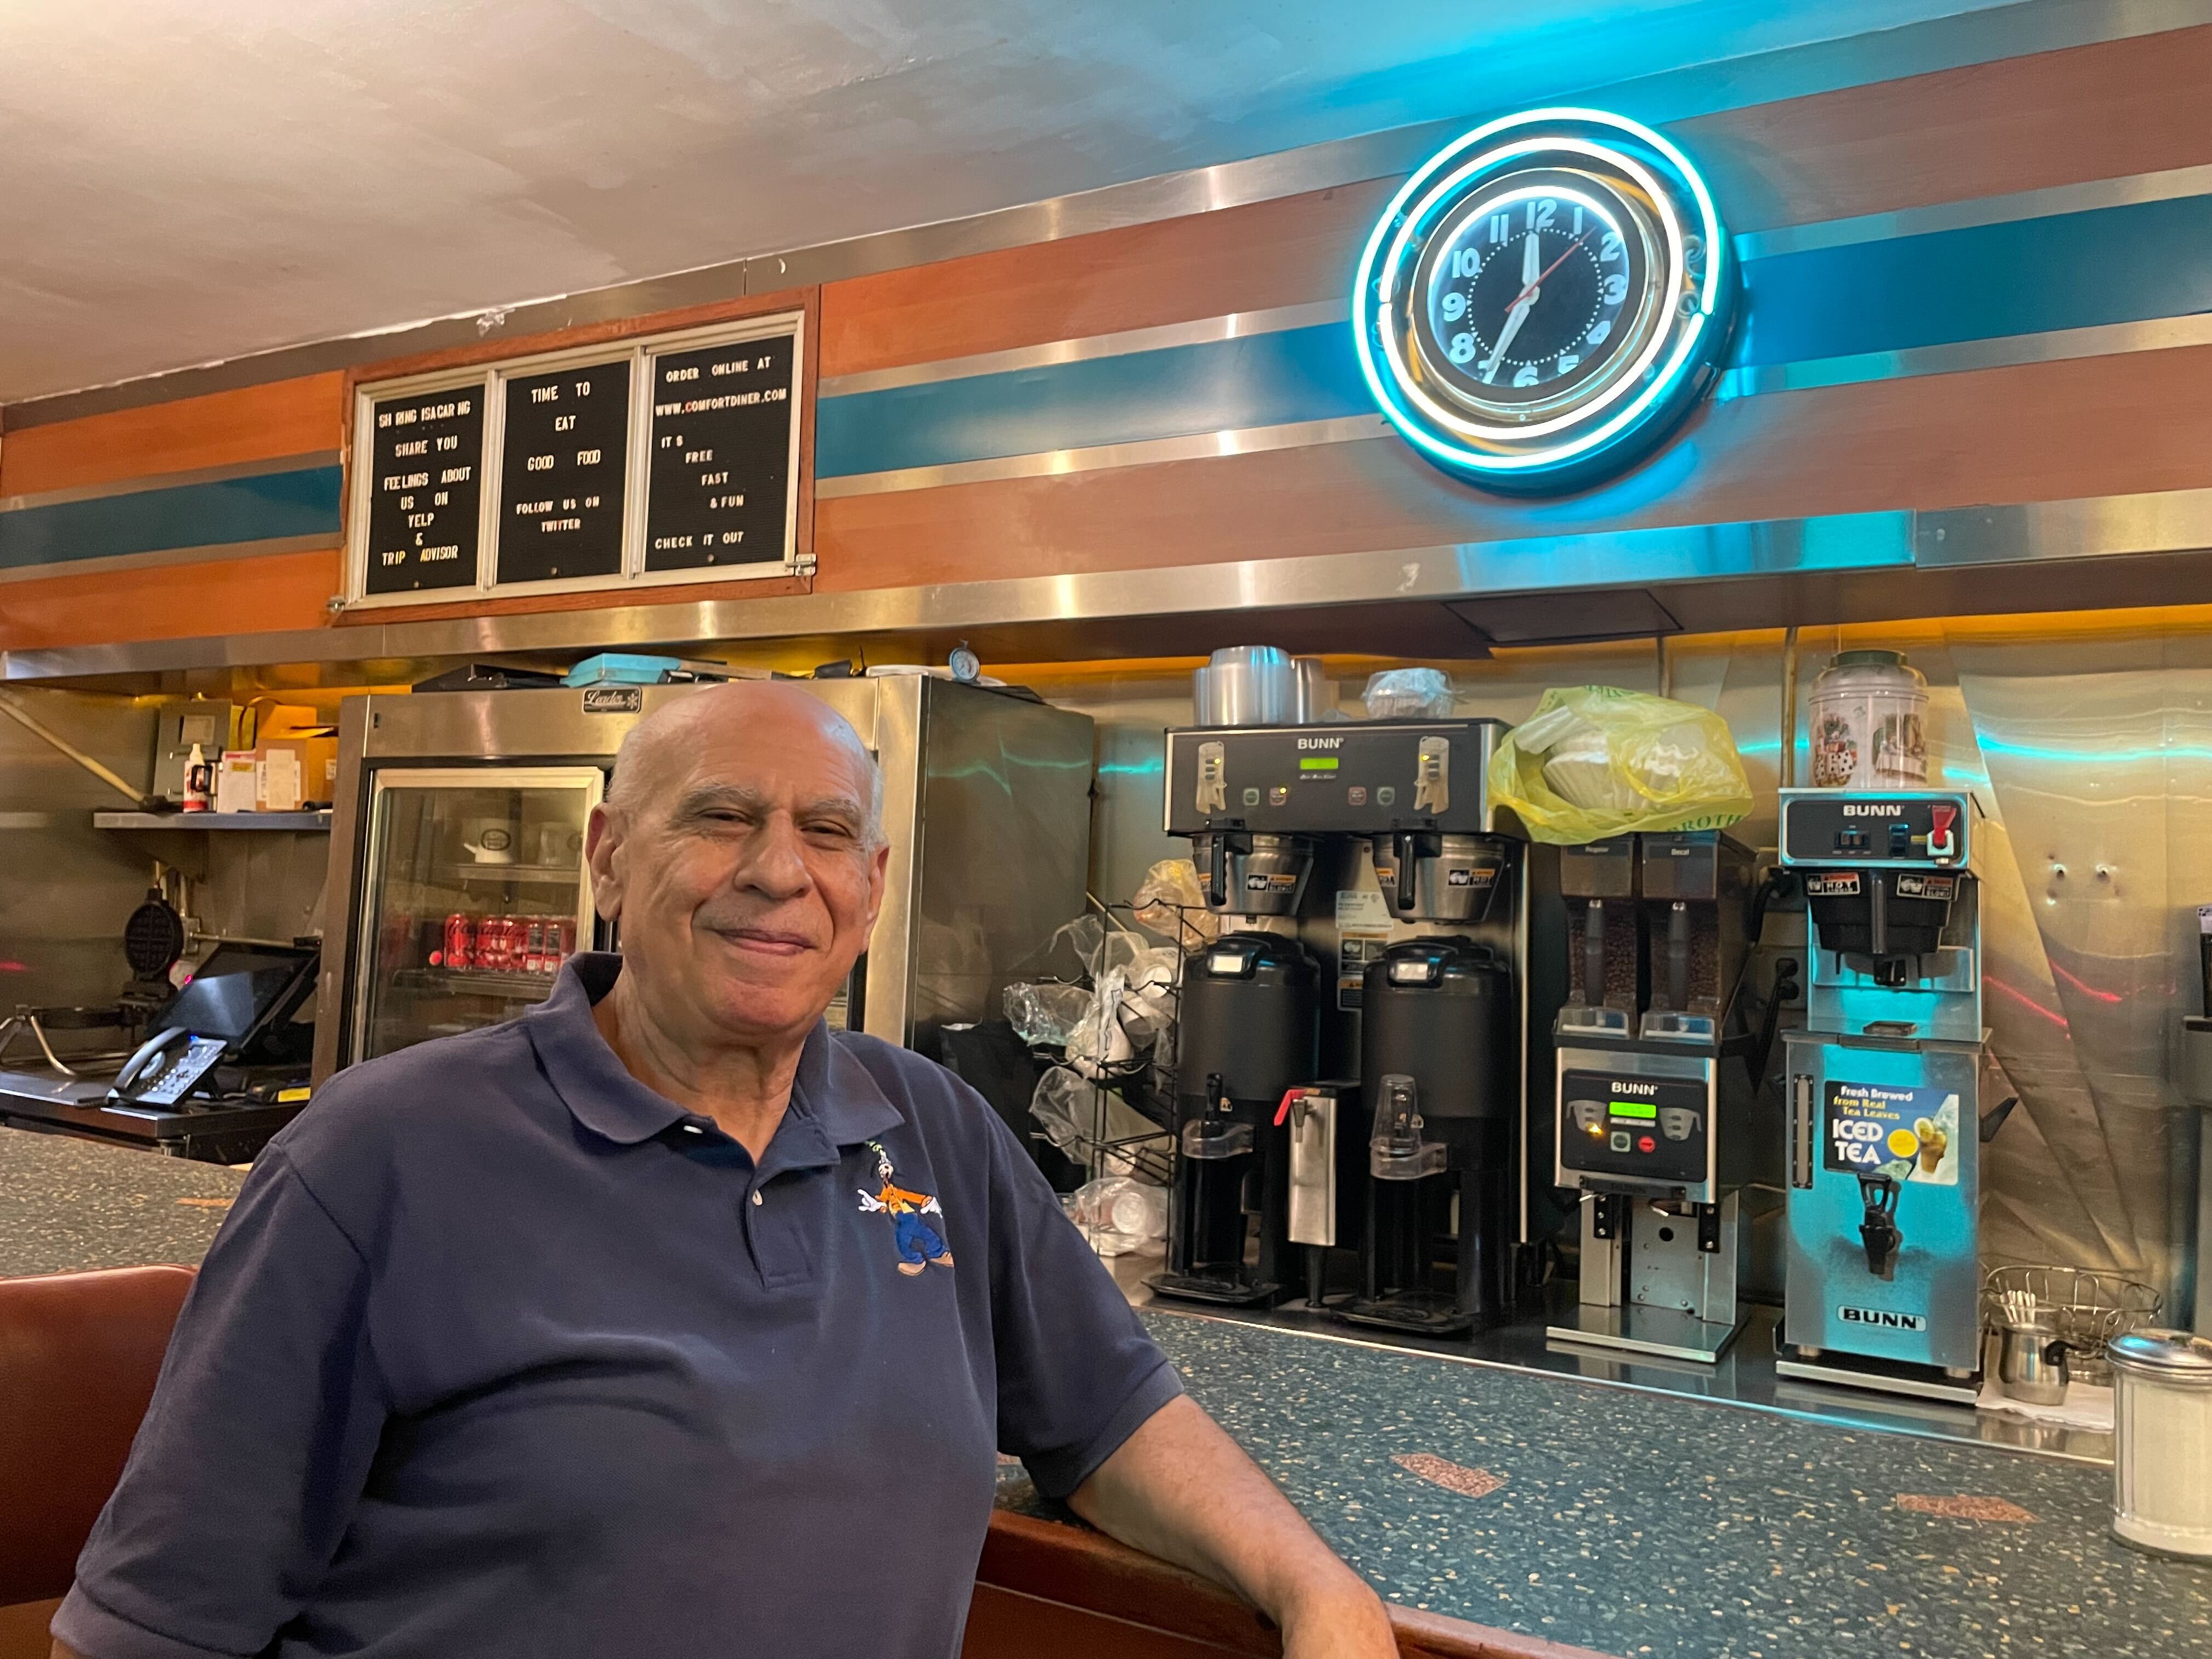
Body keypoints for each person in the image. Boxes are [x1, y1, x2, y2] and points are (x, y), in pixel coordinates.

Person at [53, 682, 1396, 1659]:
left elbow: (1112, 1417)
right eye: (720, 817)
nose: (776, 873)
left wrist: (1317, 1591)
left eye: (824, 834)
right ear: (607, 861)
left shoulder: (928, 1126)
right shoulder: (376, 1158)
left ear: (869, 890)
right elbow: (154, 1627)